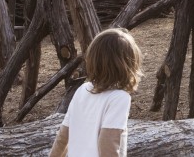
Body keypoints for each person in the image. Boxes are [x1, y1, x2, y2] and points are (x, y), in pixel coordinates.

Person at [49, 28, 143, 157]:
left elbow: (63, 137)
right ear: (129, 64)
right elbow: (108, 142)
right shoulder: (119, 98)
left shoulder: (83, 89)